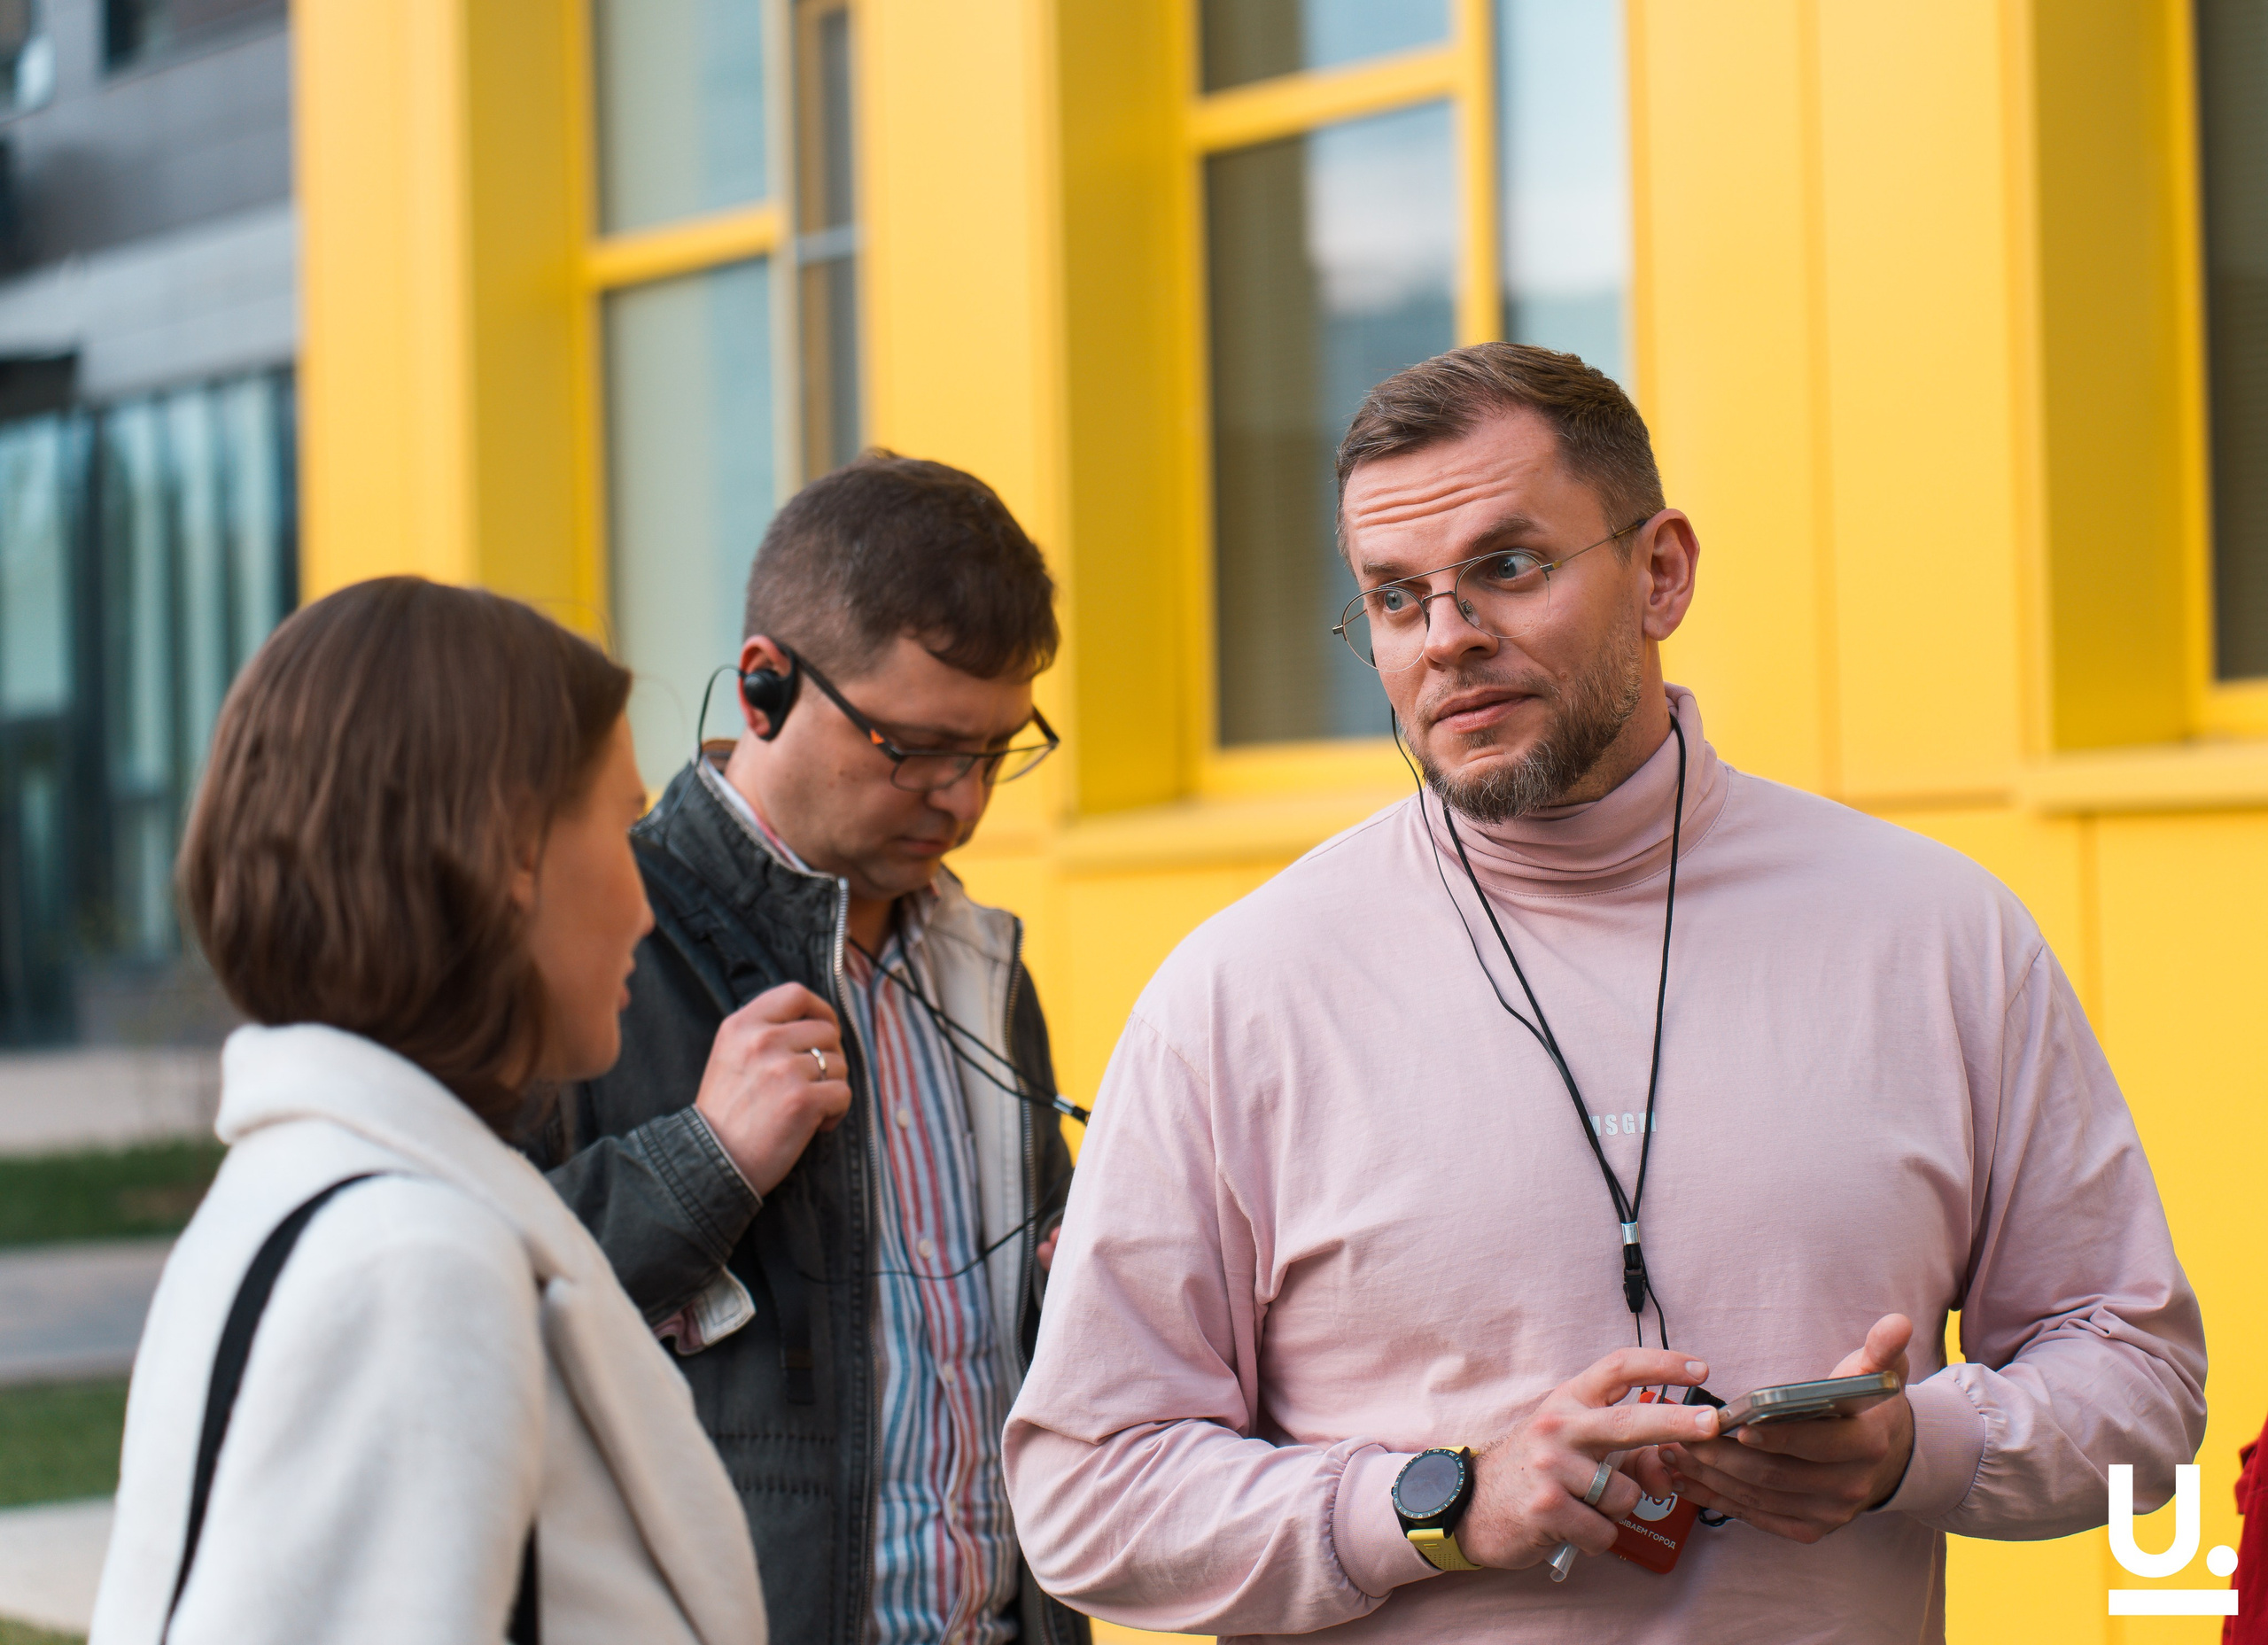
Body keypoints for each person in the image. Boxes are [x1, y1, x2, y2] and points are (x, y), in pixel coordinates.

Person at [1001, 344, 2208, 1642]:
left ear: (1662, 570)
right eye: (1397, 599)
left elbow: (2145, 1388)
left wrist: (1916, 1447)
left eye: (1507, 568)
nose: (1448, 639)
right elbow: (1086, 1495)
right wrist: (1444, 1505)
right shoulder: (1238, 993)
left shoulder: (1941, 934)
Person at [89, 577, 764, 1645]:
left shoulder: (307, 1193)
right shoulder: (412, 1259)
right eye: (620, 824)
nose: (643, 906)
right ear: (509, 852)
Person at [540, 454, 1086, 1645]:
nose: (961, 797)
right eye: (915, 746)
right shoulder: (590, 940)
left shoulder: (990, 971)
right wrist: (705, 1163)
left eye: (996, 749)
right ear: (762, 688)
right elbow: (471, 1307)